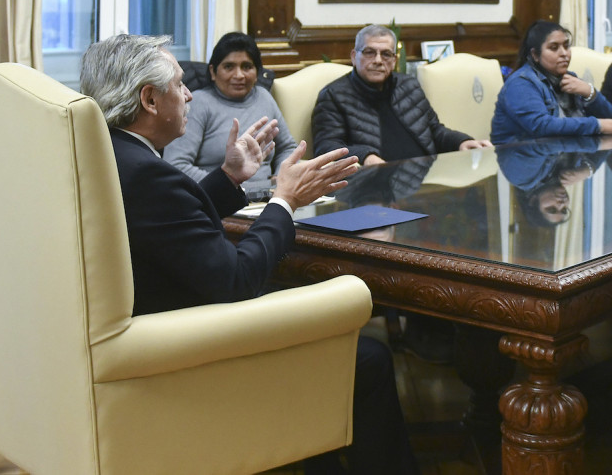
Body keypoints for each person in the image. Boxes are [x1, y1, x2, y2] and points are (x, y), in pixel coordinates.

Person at [79, 34, 418, 475]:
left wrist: (228, 177)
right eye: (180, 86)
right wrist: (285, 201)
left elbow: (168, 225)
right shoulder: (149, 175)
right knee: (366, 356)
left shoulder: (111, 156)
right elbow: (237, 281)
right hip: (193, 355)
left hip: (152, 333)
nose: (188, 96)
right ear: (149, 99)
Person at [312, 24, 491, 164]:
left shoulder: (409, 85)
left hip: (425, 184)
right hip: (373, 190)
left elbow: (434, 131)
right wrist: (365, 157)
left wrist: (460, 142)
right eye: (369, 52)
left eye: (386, 54)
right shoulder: (333, 95)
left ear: (395, 60)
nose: (378, 61)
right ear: (353, 56)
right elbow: (327, 148)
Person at [164, 32, 297, 189]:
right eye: (229, 67)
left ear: (257, 73)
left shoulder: (264, 97)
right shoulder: (198, 102)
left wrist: (280, 177)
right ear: (213, 72)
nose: (239, 75)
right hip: (218, 199)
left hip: (268, 195)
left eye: (247, 67)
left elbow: (287, 147)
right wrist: (228, 185)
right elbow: (176, 164)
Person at [491, 20, 612, 144]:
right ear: (535, 55)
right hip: (525, 160)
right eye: (554, 48)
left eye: (566, 46)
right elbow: (542, 127)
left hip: (565, 157)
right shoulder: (521, 83)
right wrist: (596, 125)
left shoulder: (570, 78)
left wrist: (590, 92)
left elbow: (611, 122)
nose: (564, 53)